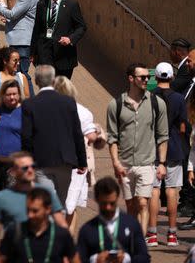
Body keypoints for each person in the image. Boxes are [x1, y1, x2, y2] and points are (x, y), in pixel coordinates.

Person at [106, 63, 169, 238]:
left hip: (146, 163)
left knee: (142, 203)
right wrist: (116, 162)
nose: (146, 80)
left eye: (148, 77)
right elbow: (112, 138)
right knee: (131, 206)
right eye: (142, 77)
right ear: (131, 79)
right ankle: (131, 240)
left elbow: (163, 136)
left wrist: (162, 163)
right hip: (125, 164)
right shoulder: (116, 105)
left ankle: (140, 246)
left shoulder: (158, 104)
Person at [23, 65, 88, 206]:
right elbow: (77, 133)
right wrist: (82, 161)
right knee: (60, 203)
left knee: (46, 203)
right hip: (65, 161)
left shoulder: (30, 104)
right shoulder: (68, 102)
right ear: (53, 81)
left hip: (41, 161)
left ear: (36, 81)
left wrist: (27, 163)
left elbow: (26, 138)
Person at [0, 152, 67, 263]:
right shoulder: (2, 198)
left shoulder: (46, 193)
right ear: (13, 171)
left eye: (33, 166)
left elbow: (62, 225)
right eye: (25, 168)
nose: (30, 170)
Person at [53, 76, 99, 234]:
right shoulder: (83, 112)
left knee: (56, 205)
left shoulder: (46, 109)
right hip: (76, 166)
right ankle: (67, 244)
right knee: (70, 208)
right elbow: (92, 137)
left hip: (53, 164)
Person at [76, 177, 150, 263]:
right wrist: (95, 260)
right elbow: (79, 259)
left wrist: (125, 258)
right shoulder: (87, 229)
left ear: (118, 197)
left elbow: (144, 257)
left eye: (112, 203)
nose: (108, 207)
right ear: (96, 199)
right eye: (104, 203)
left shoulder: (132, 224)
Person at [0, 188, 77, 263]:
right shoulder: (15, 231)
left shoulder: (61, 235)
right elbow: (0, 259)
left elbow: (75, 259)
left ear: (48, 209)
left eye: (35, 211)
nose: (30, 215)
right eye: (27, 210)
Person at [30, 0, 87, 79]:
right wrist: (33, 52)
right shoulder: (42, 5)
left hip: (64, 55)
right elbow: (36, 29)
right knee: (47, 86)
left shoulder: (71, 5)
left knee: (61, 89)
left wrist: (70, 39)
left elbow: (81, 27)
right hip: (45, 54)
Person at [0, 0, 38, 84]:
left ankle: (29, 99)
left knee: (22, 74)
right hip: (19, 40)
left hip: (22, 42)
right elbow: (20, 15)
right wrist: (8, 19)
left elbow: (13, 14)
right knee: (18, 73)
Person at [0, 80, 24, 194]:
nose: (12, 97)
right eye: (8, 94)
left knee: (13, 202)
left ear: (19, 94)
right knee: (1, 200)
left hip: (17, 167)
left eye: (14, 94)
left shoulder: (25, 111)